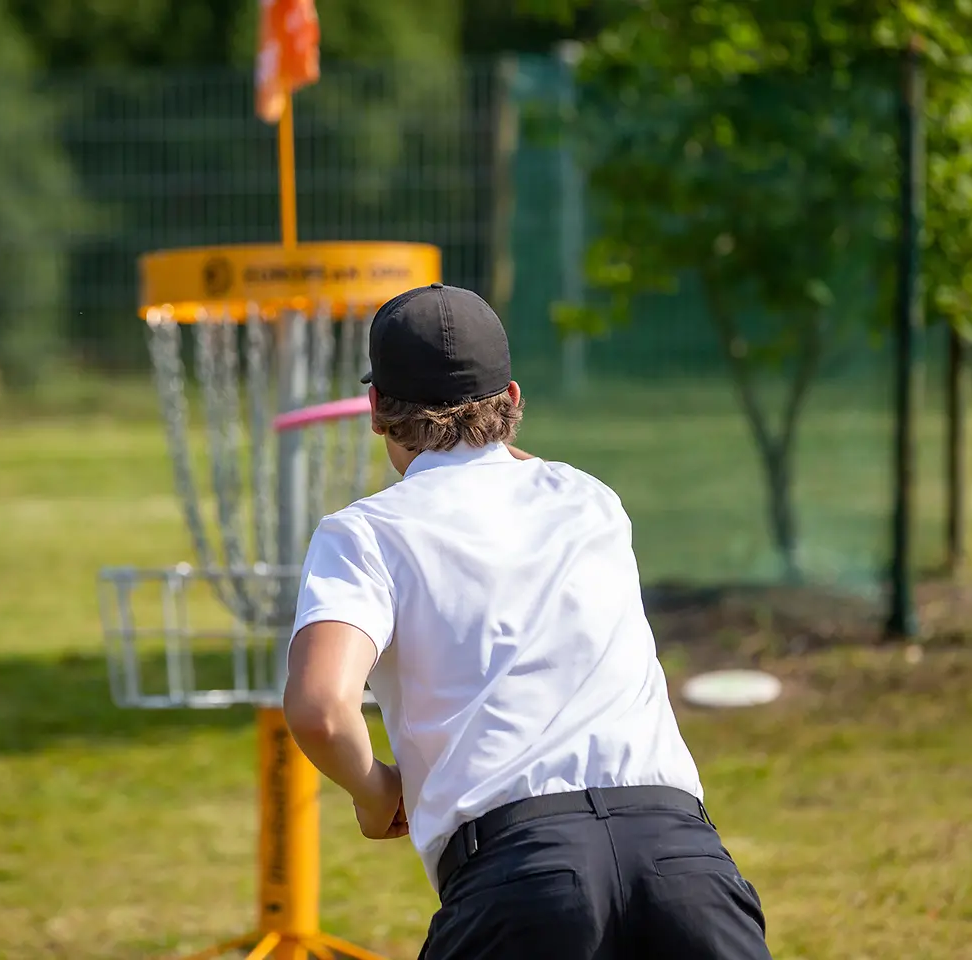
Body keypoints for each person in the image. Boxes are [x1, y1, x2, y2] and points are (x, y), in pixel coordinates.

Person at [281, 282, 772, 959]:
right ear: (513, 399)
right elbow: (508, 476)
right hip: (684, 865)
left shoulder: (364, 535)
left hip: (522, 880)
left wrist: (375, 792)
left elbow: (319, 709)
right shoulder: (592, 501)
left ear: (376, 412)